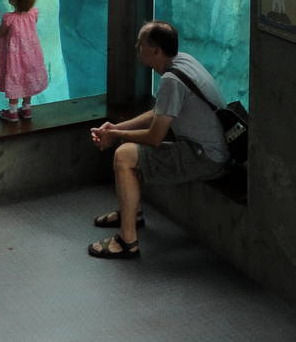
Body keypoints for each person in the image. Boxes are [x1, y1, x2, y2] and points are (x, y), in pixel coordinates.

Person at [86, 20, 229, 259]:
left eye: (141, 43)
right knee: (128, 145)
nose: (136, 46)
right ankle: (131, 212)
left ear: (155, 51)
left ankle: (127, 241)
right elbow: (159, 113)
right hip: (210, 149)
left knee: (124, 155)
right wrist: (116, 128)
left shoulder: (171, 80)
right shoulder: (183, 62)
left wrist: (115, 135)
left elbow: (154, 137)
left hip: (205, 157)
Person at [0, 0, 48, 122]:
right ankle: (26, 109)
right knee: (27, 79)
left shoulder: (9, 18)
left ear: (13, 0)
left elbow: (0, 33)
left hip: (14, 58)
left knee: (15, 78)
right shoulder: (34, 13)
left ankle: (12, 112)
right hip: (31, 55)